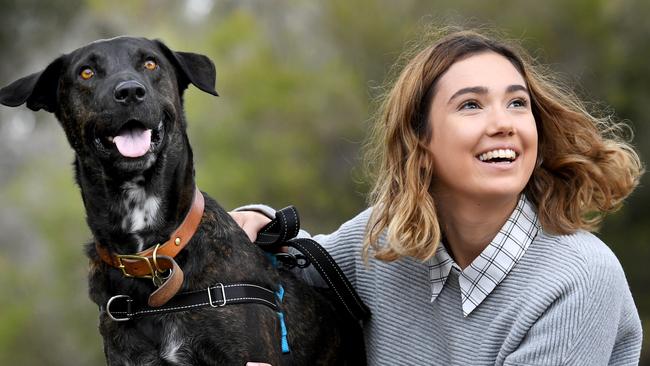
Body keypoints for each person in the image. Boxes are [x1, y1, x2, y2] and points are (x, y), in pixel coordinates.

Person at [234, 29, 644, 366]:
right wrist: (253, 222)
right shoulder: (387, 241)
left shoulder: (579, 278)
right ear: (421, 140)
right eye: (471, 105)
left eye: (518, 103)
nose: (503, 123)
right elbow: (300, 261)